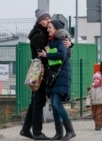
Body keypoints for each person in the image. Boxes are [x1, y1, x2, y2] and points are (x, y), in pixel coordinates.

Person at [20, 9, 72, 140]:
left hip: (44, 71)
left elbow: (60, 45)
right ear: (39, 21)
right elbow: (46, 54)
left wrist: (70, 44)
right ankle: (37, 132)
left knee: (37, 101)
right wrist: (51, 55)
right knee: (38, 101)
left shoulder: (46, 34)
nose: (48, 21)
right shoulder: (38, 36)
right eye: (44, 19)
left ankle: (26, 129)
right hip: (41, 72)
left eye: (49, 19)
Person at [38, 19, 76, 141]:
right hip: (54, 77)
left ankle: (70, 131)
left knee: (56, 104)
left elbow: (61, 55)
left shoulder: (61, 41)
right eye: (48, 27)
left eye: (50, 27)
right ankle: (59, 133)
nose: (48, 29)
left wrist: (46, 55)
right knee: (54, 106)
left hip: (61, 76)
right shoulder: (52, 41)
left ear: (56, 29)